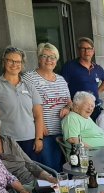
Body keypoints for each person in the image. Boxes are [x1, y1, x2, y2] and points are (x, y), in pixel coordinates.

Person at [0, 47, 47, 169]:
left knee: (34, 173)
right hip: (8, 141)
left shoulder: (29, 86)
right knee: (15, 175)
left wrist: (39, 138)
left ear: (22, 64)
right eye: (10, 61)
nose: (14, 64)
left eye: (18, 62)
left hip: (30, 140)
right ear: (4, 62)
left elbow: (38, 115)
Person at [0, 109, 57, 190]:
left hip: (33, 181)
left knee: (65, 187)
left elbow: (29, 163)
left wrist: (49, 177)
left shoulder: (8, 140)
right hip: (16, 189)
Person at [21, 43, 70, 172]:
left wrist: (68, 108)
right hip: (44, 133)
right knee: (50, 169)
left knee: (65, 168)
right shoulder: (29, 77)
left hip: (63, 132)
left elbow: (69, 102)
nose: (49, 60)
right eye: (45, 56)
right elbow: (24, 105)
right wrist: (40, 125)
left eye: (53, 57)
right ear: (38, 58)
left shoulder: (61, 79)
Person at [59, 37, 104, 120]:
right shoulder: (69, 66)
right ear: (78, 51)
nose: (86, 52)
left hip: (95, 108)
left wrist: (98, 91)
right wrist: (68, 105)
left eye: (89, 49)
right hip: (78, 110)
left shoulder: (97, 68)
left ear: (93, 51)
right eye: (83, 49)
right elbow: (61, 87)